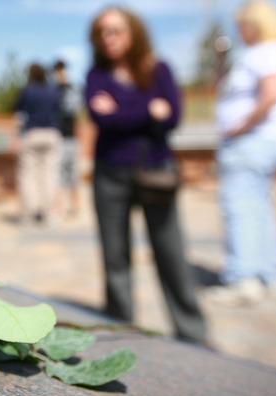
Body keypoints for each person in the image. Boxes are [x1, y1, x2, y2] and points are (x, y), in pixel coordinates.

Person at [85, 7, 206, 343]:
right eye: (101, 32)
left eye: (116, 30)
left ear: (134, 32)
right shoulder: (96, 75)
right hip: (109, 174)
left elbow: (173, 116)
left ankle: (193, 333)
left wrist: (122, 111)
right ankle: (121, 329)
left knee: (171, 254)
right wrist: (148, 110)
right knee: (115, 257)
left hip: (156, 172)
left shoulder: (159, 68)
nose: (108, 38)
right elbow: (104, 120)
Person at [210, 1, 276, 305]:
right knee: (258, 206)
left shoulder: (269, 51)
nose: (239, 31)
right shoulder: (264, 52)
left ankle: (244, 278)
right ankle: (266, 274)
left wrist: (239, 126)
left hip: (251, 141)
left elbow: (271, 94)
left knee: (240, 206)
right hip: (256, 141)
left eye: (242, 25)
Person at [13, 63, 62, 226]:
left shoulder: (27, 90)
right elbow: (59, 110)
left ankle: (27, 215)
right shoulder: (52, 91)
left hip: (32, 133)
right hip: (51, 134)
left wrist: (17, 134)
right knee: (49, 175)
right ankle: (49, 215)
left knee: (28, 176)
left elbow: (19, 113)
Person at [53, 60, 83, 217]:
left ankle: (75, 205)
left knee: (73, 173)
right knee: (57, 174)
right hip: (57, 137)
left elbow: (73, 107)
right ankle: (58, 206)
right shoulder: (52, 91)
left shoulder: (71, 89)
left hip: (71, 137)